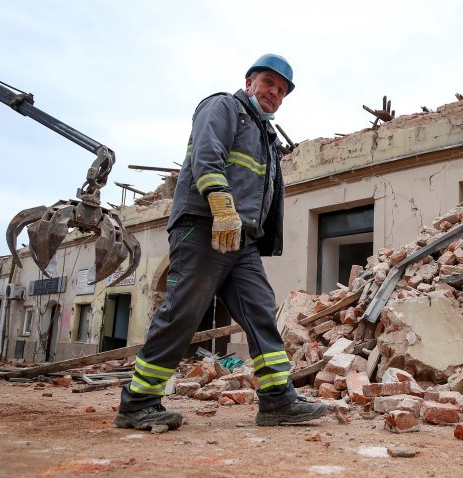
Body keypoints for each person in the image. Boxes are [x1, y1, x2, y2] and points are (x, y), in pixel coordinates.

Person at [113, 54, 327, 430]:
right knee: (183, 312)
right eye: (268, 84)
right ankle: (138, 403)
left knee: (261, 310)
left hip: (239, 238)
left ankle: (277, 401)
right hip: (203, 226)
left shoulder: (265, 136)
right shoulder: (224, 107)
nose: (274, 93)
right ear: (249, 83)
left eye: (281, 90)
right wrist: (220, 202)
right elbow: (206, 153)